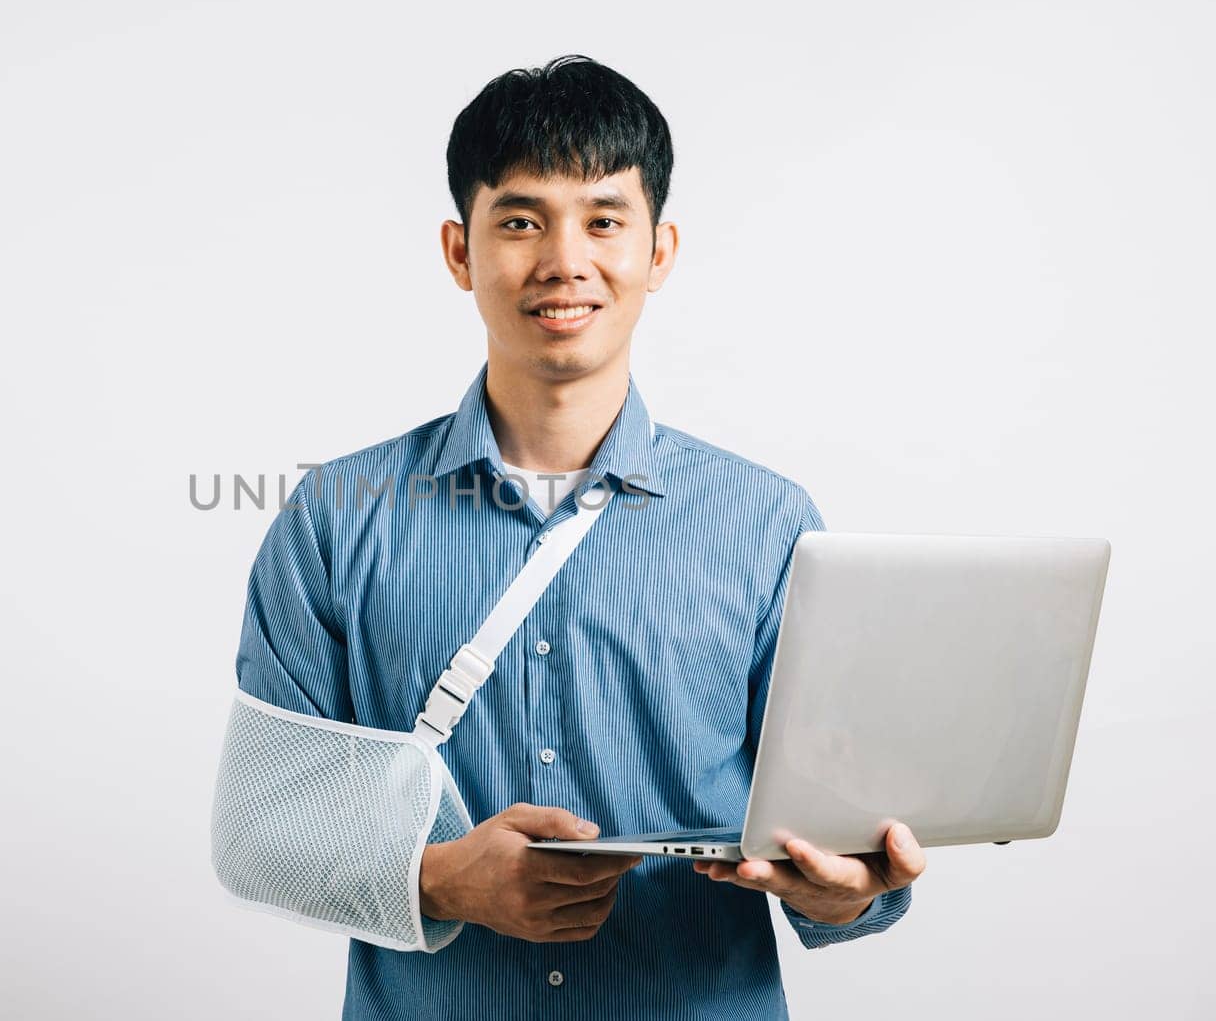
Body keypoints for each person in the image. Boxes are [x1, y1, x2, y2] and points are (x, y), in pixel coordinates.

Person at [215, 54, 925, 1019]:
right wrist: (442, 881)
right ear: (460, 251)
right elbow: (263, 828)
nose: (564, 259)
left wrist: (847, 891)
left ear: (659, 250)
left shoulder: (769, 523)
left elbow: (844, 843)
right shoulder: (338, 518)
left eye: (602, 220)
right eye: (519, 220)